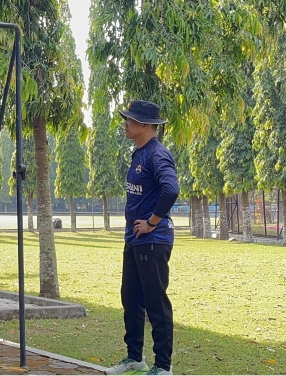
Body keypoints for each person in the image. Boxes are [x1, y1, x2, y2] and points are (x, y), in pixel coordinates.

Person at [105, 100, 179, 376]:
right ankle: (135, 358)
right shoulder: (138, 154)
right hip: (134, 240)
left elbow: (171, 190)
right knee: (131, 298)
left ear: (147, 125)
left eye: (131, 119)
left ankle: (163, 366)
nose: (125, 123)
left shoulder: (157, 154)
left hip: (154, 239)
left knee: (155, 302)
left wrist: (151, 222)